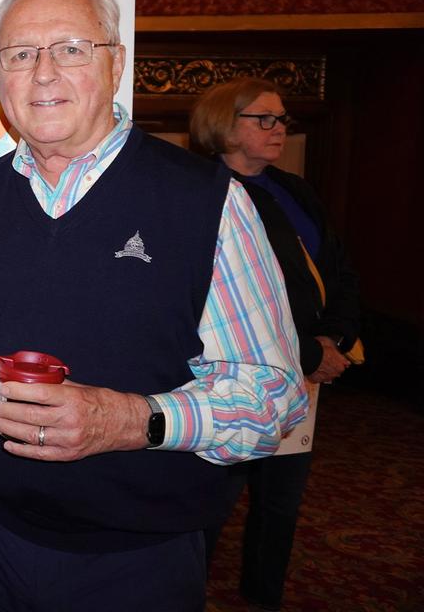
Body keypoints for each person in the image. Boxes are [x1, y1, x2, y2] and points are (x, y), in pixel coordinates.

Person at [0, 0, 309, 611]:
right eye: (20, 55)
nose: (43, 73)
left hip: (144, 557)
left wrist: (128, 420)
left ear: (116, 63)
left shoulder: (207, 202)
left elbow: (274, 397)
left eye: (71, 48)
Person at [191, 77, 361, 611]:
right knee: (210, 503)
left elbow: (336, 267)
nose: (278, 128)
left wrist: (336, 337)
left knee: (282, 502)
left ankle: (263, 596)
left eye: (282, 119)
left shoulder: (295, 189)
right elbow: (234, 298)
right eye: (263, 118)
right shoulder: (198, 192)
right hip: (234, 374)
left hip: (311, 368)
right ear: (224, 125)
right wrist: (310, 354)